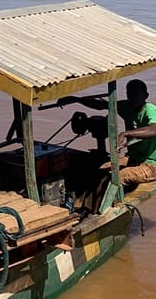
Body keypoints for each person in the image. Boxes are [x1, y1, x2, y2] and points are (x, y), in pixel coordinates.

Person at [57, 79, 156, 209]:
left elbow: (153, 129)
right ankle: (88, 209)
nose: (133, 97)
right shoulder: (127, 106)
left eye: (137, 94)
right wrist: (76, 99)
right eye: (130, 94)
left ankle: (102, 211)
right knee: (101, 169)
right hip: (133, 159)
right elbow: (101, 105)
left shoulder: (150, 110)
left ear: (146, 96)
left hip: (151, 165)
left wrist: (126, 133)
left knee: (118, 177)